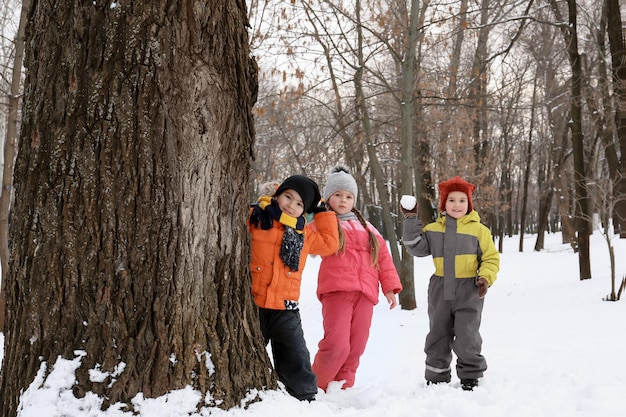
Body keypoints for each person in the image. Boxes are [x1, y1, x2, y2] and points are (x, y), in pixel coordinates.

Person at [401, 176, 499, 391]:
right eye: (452, 200)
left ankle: (471, 376)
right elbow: (416, 247)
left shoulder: (479, 230)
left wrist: (485, 278)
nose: (457, 205)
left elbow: (491, 258)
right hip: (440, 288)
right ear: (444, 203)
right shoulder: (434, 229)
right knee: (438, 333)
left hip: (470, 290)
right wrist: (410, 220)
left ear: (469, 204)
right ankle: (436, 377)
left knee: (467, 335)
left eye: (462, 200)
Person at [248, 174, 339, 401]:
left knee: (296, 354)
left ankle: (304, 395)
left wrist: (321, 211)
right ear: (277, 195)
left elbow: (330, 243)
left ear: (305, 211)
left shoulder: (305, 234)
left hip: (285, 307)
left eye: (300, 204)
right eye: (288, 197)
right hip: (254, 303)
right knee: (249, 350)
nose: (291, 205)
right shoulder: (257, 217)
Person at [312, 166, 402, 391]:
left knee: (356, 346)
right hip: (337, 292)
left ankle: (343, 389)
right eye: (338, 195)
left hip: (365, 294)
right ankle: (315, 387)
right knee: (337, 345)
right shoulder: (325, 224)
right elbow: (309, 243)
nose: (343, 200)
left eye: (349, 196)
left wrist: (389, 287)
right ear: (328, 197)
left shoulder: (368, 227)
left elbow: (382, 257)